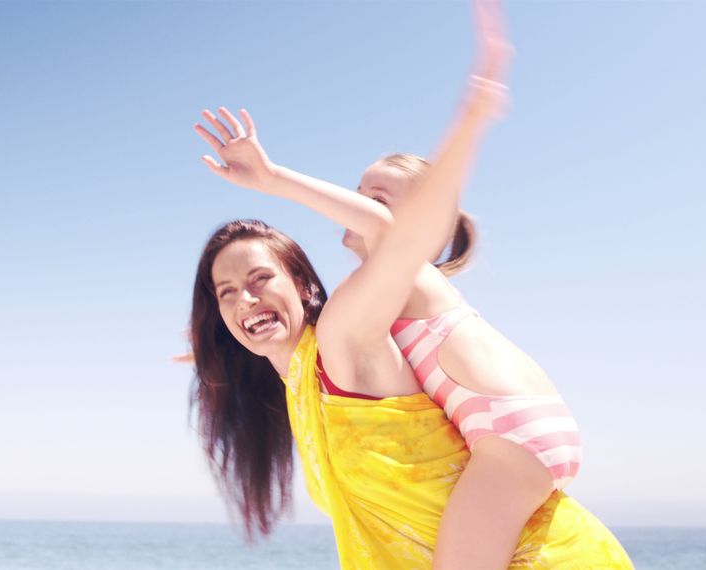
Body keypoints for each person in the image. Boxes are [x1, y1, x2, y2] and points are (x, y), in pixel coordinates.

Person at [188, 1, 633, 567]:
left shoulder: (412, 280)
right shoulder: (375, 308)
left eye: (376, 197)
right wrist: (210, 334)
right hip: (511, 436)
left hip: (511, 442)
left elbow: (387, 232)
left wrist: (274, 179)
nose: (359, 208)